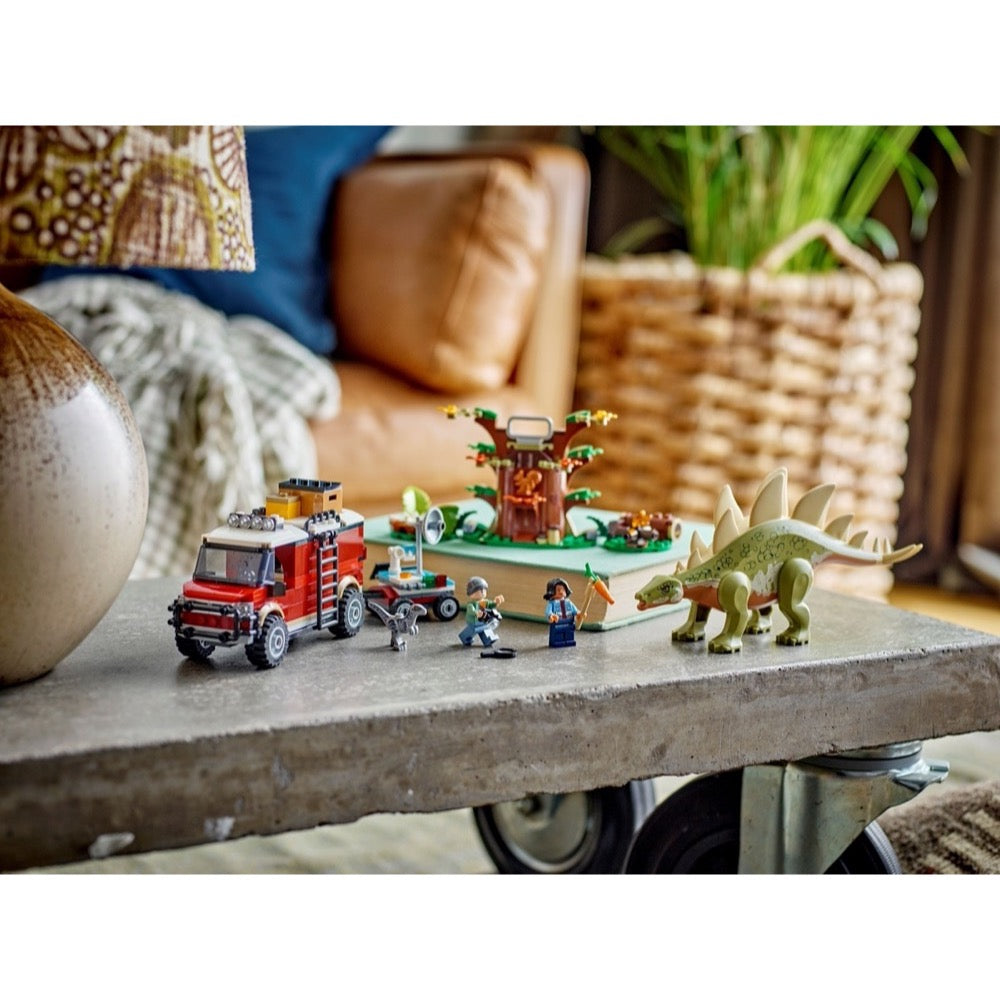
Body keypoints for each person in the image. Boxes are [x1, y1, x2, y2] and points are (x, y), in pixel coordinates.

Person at [459, 576, 504, 647]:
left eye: (484, 590)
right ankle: (464, 638)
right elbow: (471, 610)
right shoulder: (471, 604)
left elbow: (491, 605)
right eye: (481, 590)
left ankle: (488, 639)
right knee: (472, 631)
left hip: (483, 620)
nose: (483, 592)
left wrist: (496, 602)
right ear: (472, 592)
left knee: (485, 629)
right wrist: (476, 613)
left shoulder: (485, 602)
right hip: (473, 622)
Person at [544, 577, 580, 648]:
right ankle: (557, 642)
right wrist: (551, 616)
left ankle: (569, 641)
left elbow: (575, 610)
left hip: (569, 621)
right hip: (557, 622)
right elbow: (548, 611)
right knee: (557, 634)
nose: (561, 592)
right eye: (558, 590)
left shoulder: (568, 602)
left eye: (563, 589)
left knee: (569, 633)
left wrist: (579, 613)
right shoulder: (552, 603)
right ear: (552, 591)